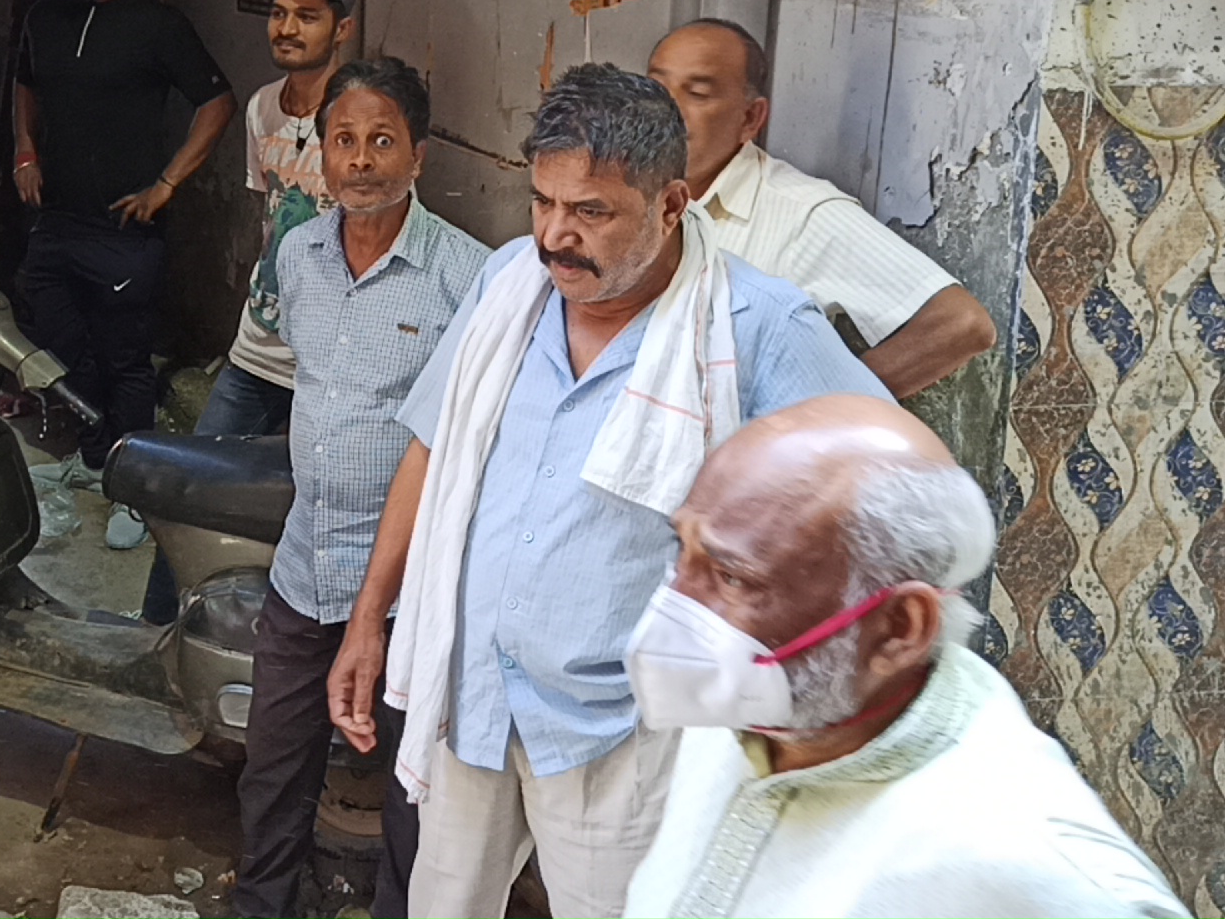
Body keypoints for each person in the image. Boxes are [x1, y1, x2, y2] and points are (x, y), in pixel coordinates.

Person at [325, 64, 893, 919]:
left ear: (671, 206)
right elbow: (432, 450)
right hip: (471, 690)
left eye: (591, 212)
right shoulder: (508, 284)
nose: (556, 236)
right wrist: (371, 619)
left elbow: (888, 490)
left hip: (626, 730)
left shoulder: (757, 328)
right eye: (543, 202)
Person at [623, 395, 1191, 919]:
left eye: (730, 578)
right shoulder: (750, 713)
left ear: (899, 628)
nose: (677, 605)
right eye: (683, 549)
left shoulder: (1033, 866)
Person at [235, 58, 488, 919]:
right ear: (323, 153)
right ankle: (263, 904)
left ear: (419, 157)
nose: (361, 160)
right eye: (344, 140)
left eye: (383, 140)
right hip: (305, 568)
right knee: (272, 767)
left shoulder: (470, 278)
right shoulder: (298, 250)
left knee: (413, 791)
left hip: (412, 590)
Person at [14, 0, 237, 549]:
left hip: (123, 229)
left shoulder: (156, 24)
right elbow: (25, 83)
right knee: (61, 345)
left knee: (125, 359)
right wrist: (25, 150)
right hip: (57, 220)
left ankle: (134, 492)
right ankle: (91, 459)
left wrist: (168, 182)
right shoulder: (44, 17)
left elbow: (216, 100)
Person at [140, 0, 356, 625]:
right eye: (280, 14)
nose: (287, 28)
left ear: (342, 30)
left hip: (329, 367)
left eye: (308, 17)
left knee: (304, 518)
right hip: (257, 348)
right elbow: (269, 220)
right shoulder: (263, 108)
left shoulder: (359, 117)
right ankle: (159, 631)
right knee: (188, 489)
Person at [646, 19, 997, 398]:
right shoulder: (627, 189)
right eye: (655, 87)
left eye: (698, 93)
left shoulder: (800, 212)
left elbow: (961, 325)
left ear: (750, 118)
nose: (668, 109)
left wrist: (812, 411)